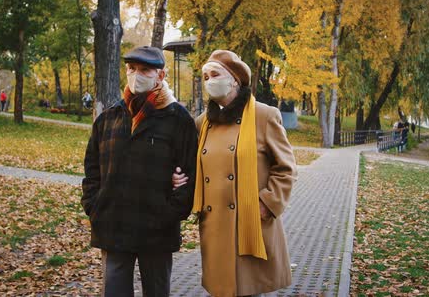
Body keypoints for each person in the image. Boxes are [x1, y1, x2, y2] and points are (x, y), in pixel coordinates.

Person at [172, 50, 297, 296]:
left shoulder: (264, 115)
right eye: (205, 76)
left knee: (248, 289)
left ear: (234, 79)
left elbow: (286, 167)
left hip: (250, 222)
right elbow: (192, 165)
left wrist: (267, 204)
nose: (209, 81)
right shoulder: (202, 123)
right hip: (215, 225)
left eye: (215, 74)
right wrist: (178, 178)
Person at [81, 46, 198, 297]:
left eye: (145, 70)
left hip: (157, 229)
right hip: (113, 225)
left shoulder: (178, 119)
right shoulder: (109, 117)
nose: (137, 75)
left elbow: (190, 173)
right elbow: (92, 169)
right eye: (132, 69)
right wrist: (94, 204)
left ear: (161, 76)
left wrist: (171, 212)